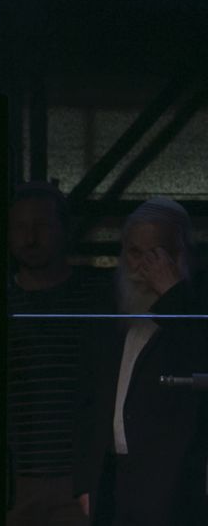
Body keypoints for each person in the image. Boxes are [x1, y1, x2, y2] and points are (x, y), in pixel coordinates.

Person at [0, 181, 110, 526]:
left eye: (41, 226)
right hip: (11, 481)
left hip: (77, 481)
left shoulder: (96, 299)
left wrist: (98, 480)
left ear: (62, 230)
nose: (29, 238)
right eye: (20, 228)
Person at [73, 197, 208, 526]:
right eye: (135, 253)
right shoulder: (112, 315)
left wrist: (174, 294)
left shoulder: (195, 309)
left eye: (158, 254)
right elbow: (90, 401)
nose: (144, 267)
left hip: (177, 488)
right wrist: (86, 480)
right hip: (116, 481)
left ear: (182, 255)